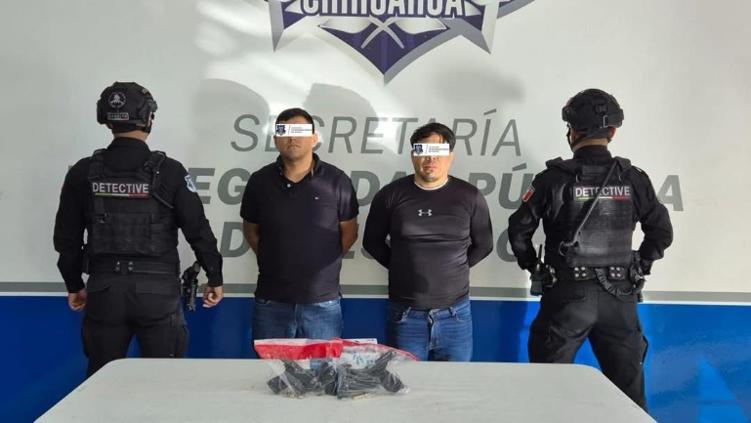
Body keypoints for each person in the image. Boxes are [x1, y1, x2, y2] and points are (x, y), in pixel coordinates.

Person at [507, 88, 673, 409]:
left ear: (572, 132)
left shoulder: (552, 179)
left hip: (566, 297)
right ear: (612, 132)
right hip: (620, 297)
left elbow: (518, 233)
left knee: (546, 395)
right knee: (629, 399)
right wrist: (640, 265)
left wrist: (534, 267)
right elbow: (661, 232)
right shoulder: (633, 178)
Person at [53, 82, 224, 376]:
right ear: (148, 118)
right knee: (161, 381)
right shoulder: (170, 171)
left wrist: (74, 284)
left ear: (106, 120)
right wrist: (215, 276)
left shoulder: (83, 172)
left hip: (104, 290)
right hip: (158, 293)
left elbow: (66, 239)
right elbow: (198, 229)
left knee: (101, 381)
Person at [363, 122, 493, 361]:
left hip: (455, 316)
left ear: (450, 156)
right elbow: (372, 242)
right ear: (413, 155)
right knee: (404, 382)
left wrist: (455, 268)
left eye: (439, 151)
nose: (431, 158)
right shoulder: (390, 196)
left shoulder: (470, 196)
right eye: (423, 150)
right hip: (405, 316)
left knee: (456, 382)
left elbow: (484, 244)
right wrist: (402, 266)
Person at [240, 107, 359, 341]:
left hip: (322, 304)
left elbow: (349, 232)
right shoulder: (259, 181)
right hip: (271, 301)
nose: (292, 138)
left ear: (314, 138)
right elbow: (251, 230)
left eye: (299, 131)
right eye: (284, 132)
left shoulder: (337, 181)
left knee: (322, 364)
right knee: (273, 364)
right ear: (276, 139)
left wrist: (320, 262)